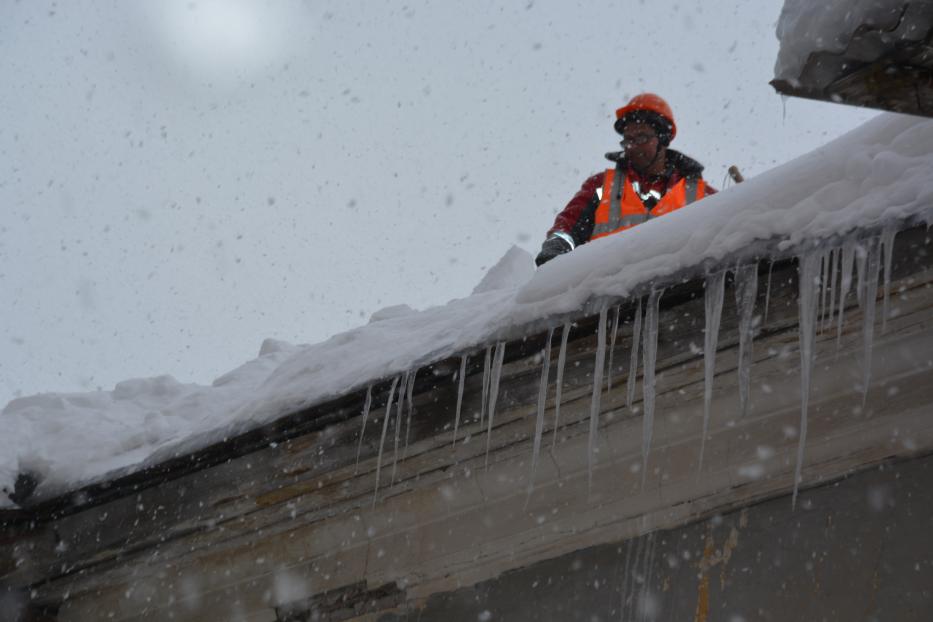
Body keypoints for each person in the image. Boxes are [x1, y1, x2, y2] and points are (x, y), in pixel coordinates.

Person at [535, 93, 716, 266]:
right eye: (628, 139)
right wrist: (557, 245)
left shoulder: (699, 194)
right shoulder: (601, 186)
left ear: (663, 139)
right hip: (609, 291)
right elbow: (568, 226)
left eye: (642, 137)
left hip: (681, 292)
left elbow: (729, 228)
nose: (633, 146)